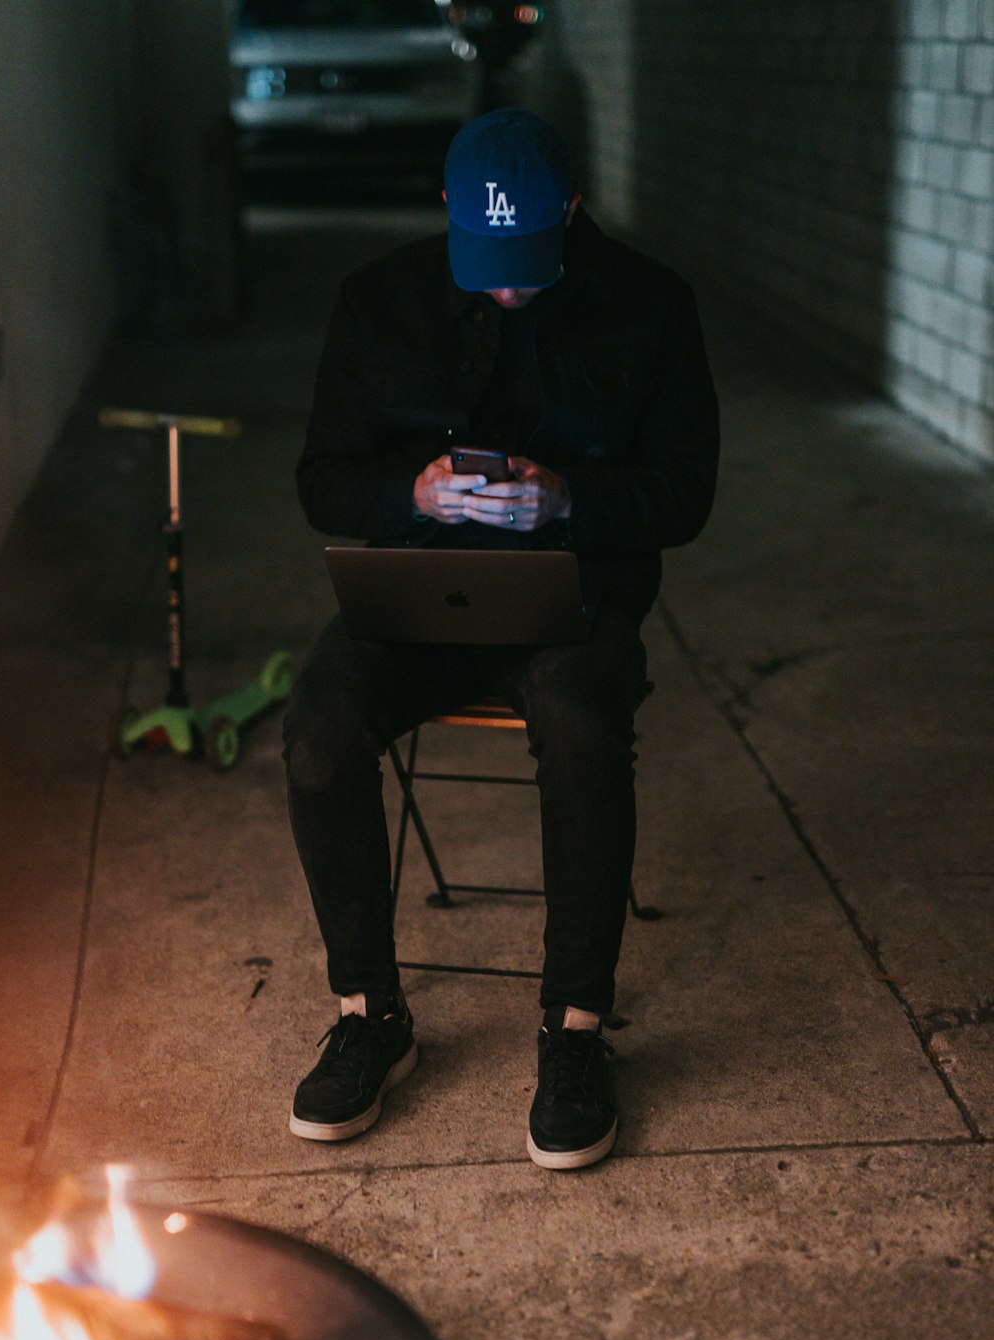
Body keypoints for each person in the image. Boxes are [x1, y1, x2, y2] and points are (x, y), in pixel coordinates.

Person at [283, 108, 719, 1170]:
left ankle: (573, 1032)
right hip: (416, 593)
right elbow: (319, 480)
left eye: (529, 264)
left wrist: (568, 502)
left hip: (578, 600)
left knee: (579, 719)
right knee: (318, 724)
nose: (508, 290)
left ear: (572, 210)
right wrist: (410, 489)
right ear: (444, 212)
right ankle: (369, 1013)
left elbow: (686, 494)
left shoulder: (652, 305)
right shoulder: (376, 301)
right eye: (487, 266)